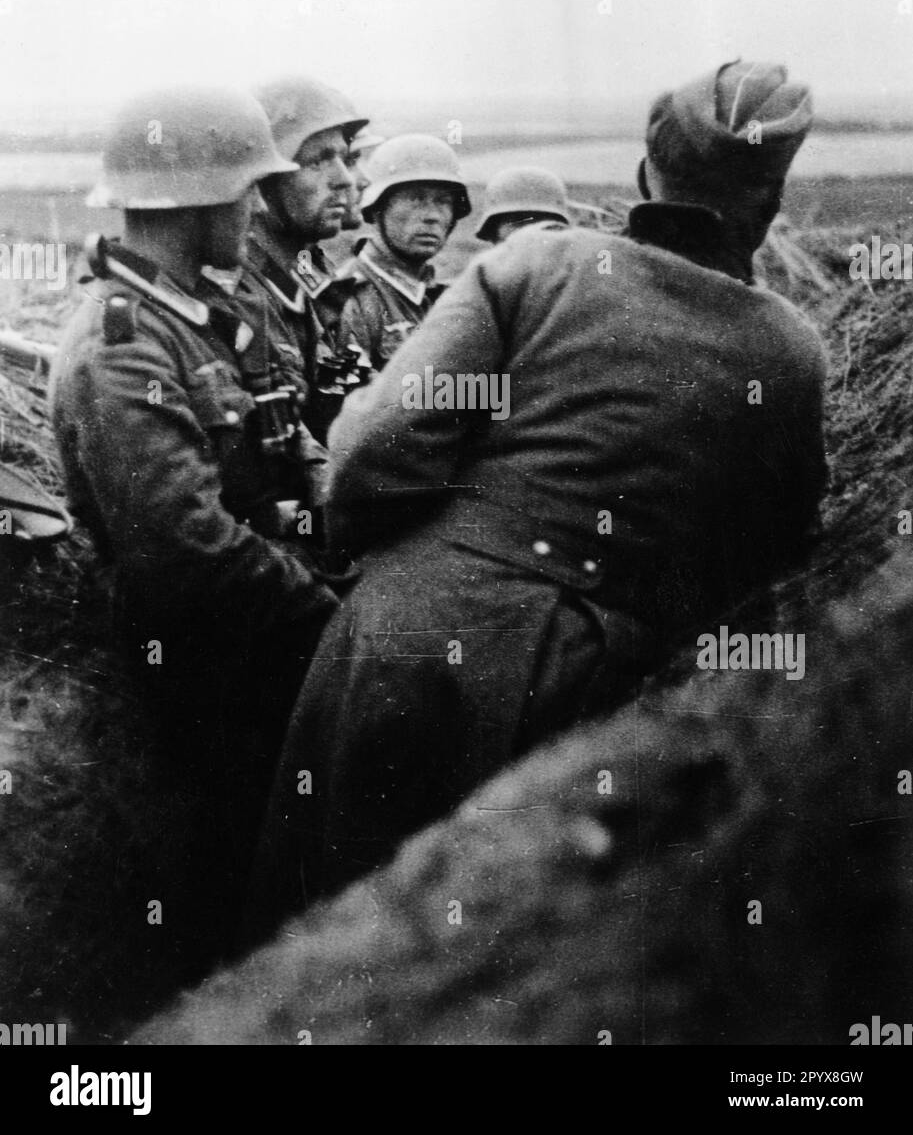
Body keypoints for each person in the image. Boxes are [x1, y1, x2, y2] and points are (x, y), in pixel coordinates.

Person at [248, 59, 828, 930]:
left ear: (643, 178)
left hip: (405, 636)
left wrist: (387, 562)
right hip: (581, 702)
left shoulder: (530, 267)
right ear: (769, 203)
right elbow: (766, 574)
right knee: (494, 972)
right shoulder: (790, 353)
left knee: (306, 960)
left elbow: (370, 454)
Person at [49, 85, 341, 978]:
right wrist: (331, 617)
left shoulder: (206, 318)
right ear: (201, 199)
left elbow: (286, 443)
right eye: (248, 189)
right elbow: (185, 552)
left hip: (263, 640)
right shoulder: (124, 344)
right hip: (204, 678)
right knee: (248, 911)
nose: (257, 207)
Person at [240, 76, 372, 442]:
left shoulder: (309, 264)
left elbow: (350, 380)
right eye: (317, 162)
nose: (345, 180)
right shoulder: (247, 291)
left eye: (345, 159)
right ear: (264, 177)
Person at [334, 133, 472, 370]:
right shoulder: (350, 298)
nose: (432, 215)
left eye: (443, 201)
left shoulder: (440, 297)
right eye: (415, 199)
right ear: (378, 208)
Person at [474, 166, 572, 243]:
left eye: (540, 223)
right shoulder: (484, 267)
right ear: (493, 232)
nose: (529, 232)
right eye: (518, 222)